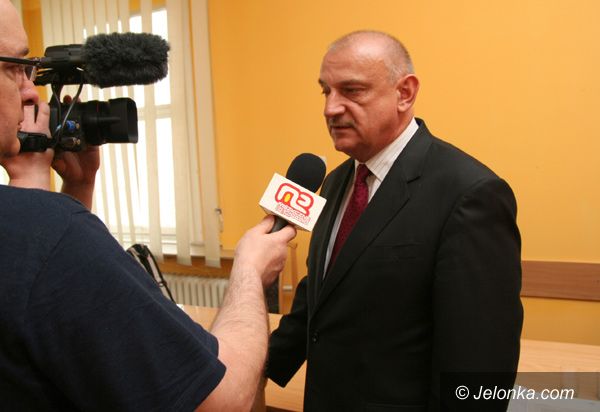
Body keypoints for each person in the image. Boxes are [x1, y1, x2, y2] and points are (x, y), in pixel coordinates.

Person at [0, 1, 296, 410]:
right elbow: (223, 401)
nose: (31, 91)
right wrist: (249, 271)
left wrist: (73, 187)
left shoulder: (39, 234)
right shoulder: (48, 232)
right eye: (14, 67)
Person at [267, 30, 523, 411]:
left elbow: (478, 370)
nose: (330, 108)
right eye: (326, 91)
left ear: (405, 93)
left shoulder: (471, 195)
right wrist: (245, 367)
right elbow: (321, 301)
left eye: (351, 91)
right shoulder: (335, 182)